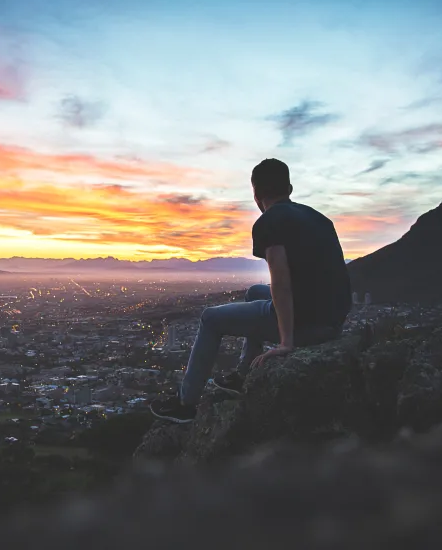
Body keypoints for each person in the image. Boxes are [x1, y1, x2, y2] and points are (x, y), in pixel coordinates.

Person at [150, 158, 352, 423]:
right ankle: (244, 372)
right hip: (332, 320)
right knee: (256, 291)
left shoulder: (270, 221)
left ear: (256, 195)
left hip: (307, 324)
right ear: (289, 188)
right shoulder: (319, 219)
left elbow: (280, 280)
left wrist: (286, 342)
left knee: (210, 319)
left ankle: (186, 404)